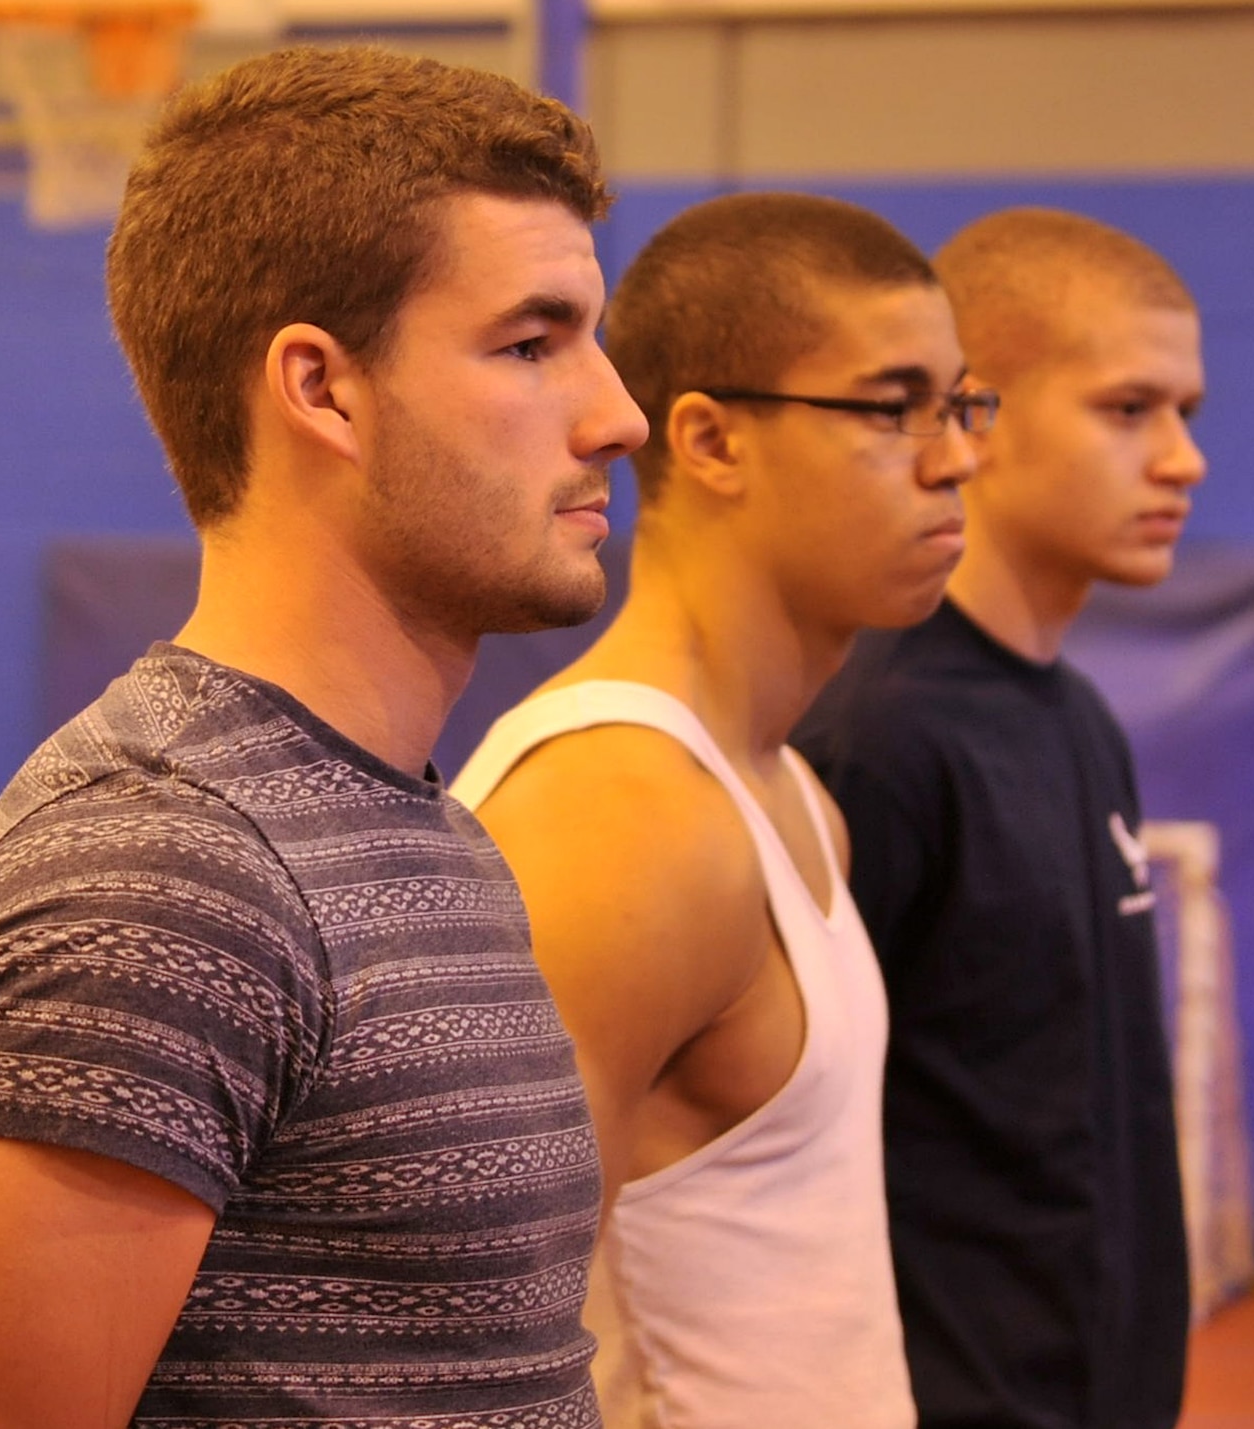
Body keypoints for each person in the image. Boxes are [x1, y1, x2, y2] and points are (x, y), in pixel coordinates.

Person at [0, 46, 646, 1429]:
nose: (617, 414)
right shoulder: (161, 874)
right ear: (322, 389)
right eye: (532, 344)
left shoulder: (423, 828)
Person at [448, 191, 987, 1429]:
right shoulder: (620, 813)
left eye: (961, 405)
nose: (955, 458)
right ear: (710, 441)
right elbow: (477, 1349)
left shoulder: (792, 794)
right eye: (891, 407)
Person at [795, 207, 1209, 1429]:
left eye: (1187, 412)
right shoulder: (875, 738)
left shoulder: (1079, 720)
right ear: (972, 414)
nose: (1182, 458)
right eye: (1128, 409)